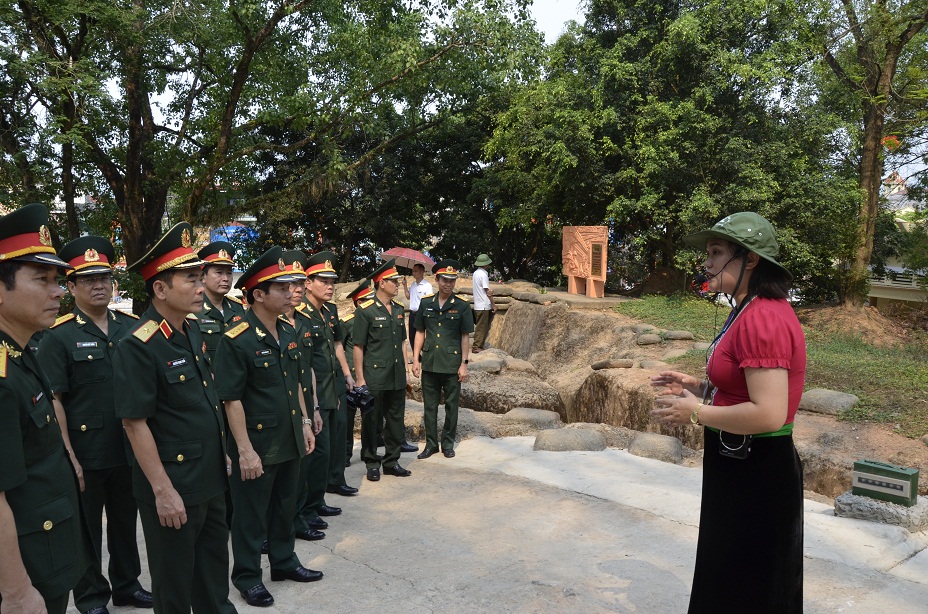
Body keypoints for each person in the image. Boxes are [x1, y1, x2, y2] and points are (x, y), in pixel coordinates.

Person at [649, 212, 805, 614]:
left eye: (717, 252)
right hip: (738, 464)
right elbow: (742, 389)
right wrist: (695, 386)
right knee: (730, 576)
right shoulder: (747, 308)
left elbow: (770, 413)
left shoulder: (764, 317)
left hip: (756, 470)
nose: (707, 263)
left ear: (749, 259)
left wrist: (696, 412)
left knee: (744, 584)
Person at [113, 222, 237, 614]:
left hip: (210, 478)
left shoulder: (190, 331)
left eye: (202, 278)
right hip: (174, 484)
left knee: (214, 575)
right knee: (175, 585)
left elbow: (205, 401)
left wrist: (223, 454)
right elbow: (135, 424)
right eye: (190, 279)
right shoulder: (138, 344)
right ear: (160, 289)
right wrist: (163, 491)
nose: (201, 287)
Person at [37, 236, 152, 613]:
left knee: (124, 521)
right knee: (86, 530)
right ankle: (90, 597)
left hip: (128, 448)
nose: (99, 284)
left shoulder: (132, 327)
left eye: (103, 277)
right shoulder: (59, 335)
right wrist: (67, 454)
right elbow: (56, 399)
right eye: (87, 279)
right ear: (70, 287)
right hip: (85, 452)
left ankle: (127, 585)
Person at [213, 246, 321, 608]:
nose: (292, 291)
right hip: (256, 442)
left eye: (292, 286)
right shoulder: (236, 338)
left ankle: (284, 561)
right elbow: (231, 399)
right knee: (249, 514)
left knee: (285, 505)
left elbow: (296, 384)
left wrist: (305, 422)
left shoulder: (287, 331)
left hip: (289, 435)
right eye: (281, 288)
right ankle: (247, 576)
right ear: (258, 295)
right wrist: (243, 450)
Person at [0, 204, 90, 614]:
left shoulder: (24, 351)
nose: (57, 291)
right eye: (42, 280)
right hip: (26, 571)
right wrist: (16, 592)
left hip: (47, 551)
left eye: (57, 280)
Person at [288, 251, 356, 541]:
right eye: (323, 281)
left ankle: (316, 502)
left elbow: (337, 345)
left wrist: (348, 376)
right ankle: (305, 509)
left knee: (327, 448)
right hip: (309, 391)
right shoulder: (298, 313)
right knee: (314, 453)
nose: (330, 286)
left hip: (329, 387)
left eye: (332, 281)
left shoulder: (329, 312)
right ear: (309, 282)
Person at [354, 259, 412, 481]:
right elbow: (359, 346)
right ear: (381, 283)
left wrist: (406, 369)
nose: (398, 285)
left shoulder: (398, 310)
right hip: (375, 375)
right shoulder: (366, 311)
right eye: (394, 281)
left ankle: (391, 460)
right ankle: (371, 461)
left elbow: (402, 343)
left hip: (396, 374)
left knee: (396, 419)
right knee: (372, 420)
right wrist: (360, 378)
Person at [412, 260, 473, 459]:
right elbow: (420, 331)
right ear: (437, 279)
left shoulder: (462, 306)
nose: (449, 284)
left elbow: (465, 336)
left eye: (452, 280)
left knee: (451, 407)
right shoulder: (426, 303)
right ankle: (431, 445)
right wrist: (415, 359)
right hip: (430, 362)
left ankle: (448, 443)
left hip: (451, 364)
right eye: (445, 280)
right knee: (429, 407)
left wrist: (464, 364)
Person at [196, 241, 246, 364]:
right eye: (219, 272)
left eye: (229, 273)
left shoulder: (237, 307)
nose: (225, 278)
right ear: (203, 277)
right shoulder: (193, 310)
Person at [341, 279, 373, 467]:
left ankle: (368, 453)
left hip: (370, 376)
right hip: (351, 379)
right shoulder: (347, 323)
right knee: (348, 420)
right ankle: (345, 455)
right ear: (359, 303)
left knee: (370, 419)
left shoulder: (374, 320)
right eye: (367, 300)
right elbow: (339, 349)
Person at [401, 263, 433, 348]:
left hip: (421, 314)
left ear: (422, 272)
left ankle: (424, 354)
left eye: (416, 271)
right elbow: (408, 297)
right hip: (412, 313)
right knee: (412, 336)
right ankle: (417, 357)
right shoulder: (413, 285)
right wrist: (404, 285)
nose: (414, 273)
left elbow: (429, 302)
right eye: (413, 271)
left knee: (421, 335)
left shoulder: (427, 286)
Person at [471, 253, 496, 352]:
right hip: (483, 304)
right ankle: (477, 346)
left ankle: (478, 345)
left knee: (480, 325)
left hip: (478, 303)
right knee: (482, 327)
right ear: (485, 264)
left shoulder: (476, 273)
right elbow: (487, 291)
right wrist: (493, 304)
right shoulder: (483, 274)